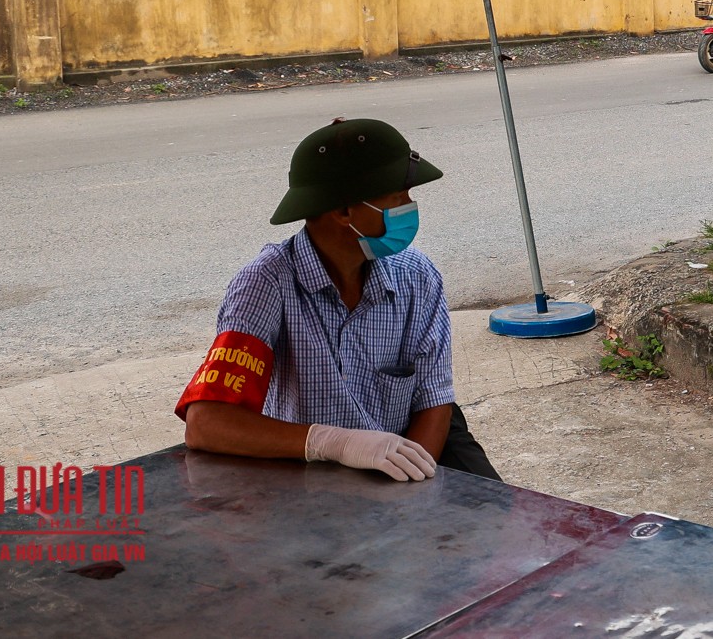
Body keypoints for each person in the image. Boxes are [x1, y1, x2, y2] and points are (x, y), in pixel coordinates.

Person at [178, 117, 498, 482]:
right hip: (302, 464)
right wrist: (331, 442)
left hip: (404, 452)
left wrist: (404, 493)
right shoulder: (265, 284)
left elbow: (434, 401)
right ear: (345, 211)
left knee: (501, 522)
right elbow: (206, 424)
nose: (410, 206)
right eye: (398, 197)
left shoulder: (417, 276)